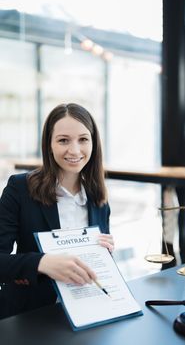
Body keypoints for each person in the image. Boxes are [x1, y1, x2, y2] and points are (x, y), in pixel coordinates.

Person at [0, 103, 114, 319]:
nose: (74, 150)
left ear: (93, 143)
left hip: (88, 310)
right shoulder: (19, 189)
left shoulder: (99, 198)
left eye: (83, 139)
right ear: (49, 145)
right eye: (63, 140)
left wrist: (103, 253)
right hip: (30, 315)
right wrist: (42, 262)